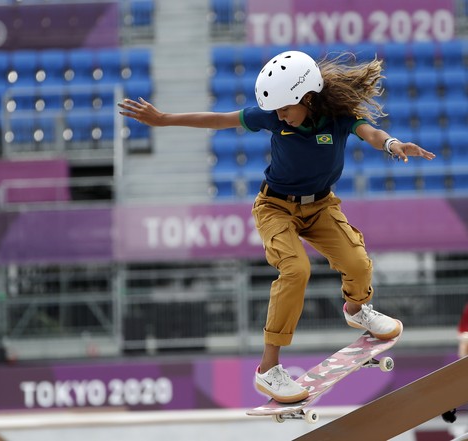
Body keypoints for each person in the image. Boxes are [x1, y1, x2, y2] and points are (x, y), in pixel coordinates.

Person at [118, 50, 436, 403]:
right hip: (275, 207)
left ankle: (357, 309)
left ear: (308, 98)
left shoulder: (340, 118)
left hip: (320, 207)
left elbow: (371, 133)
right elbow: (219, 120)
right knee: (296, 270)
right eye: (278, 110)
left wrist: (392, 144)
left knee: (358, 264)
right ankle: (269, 370)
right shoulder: (273, 118)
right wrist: (164, 119)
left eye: (286, 108)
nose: (281, 115)